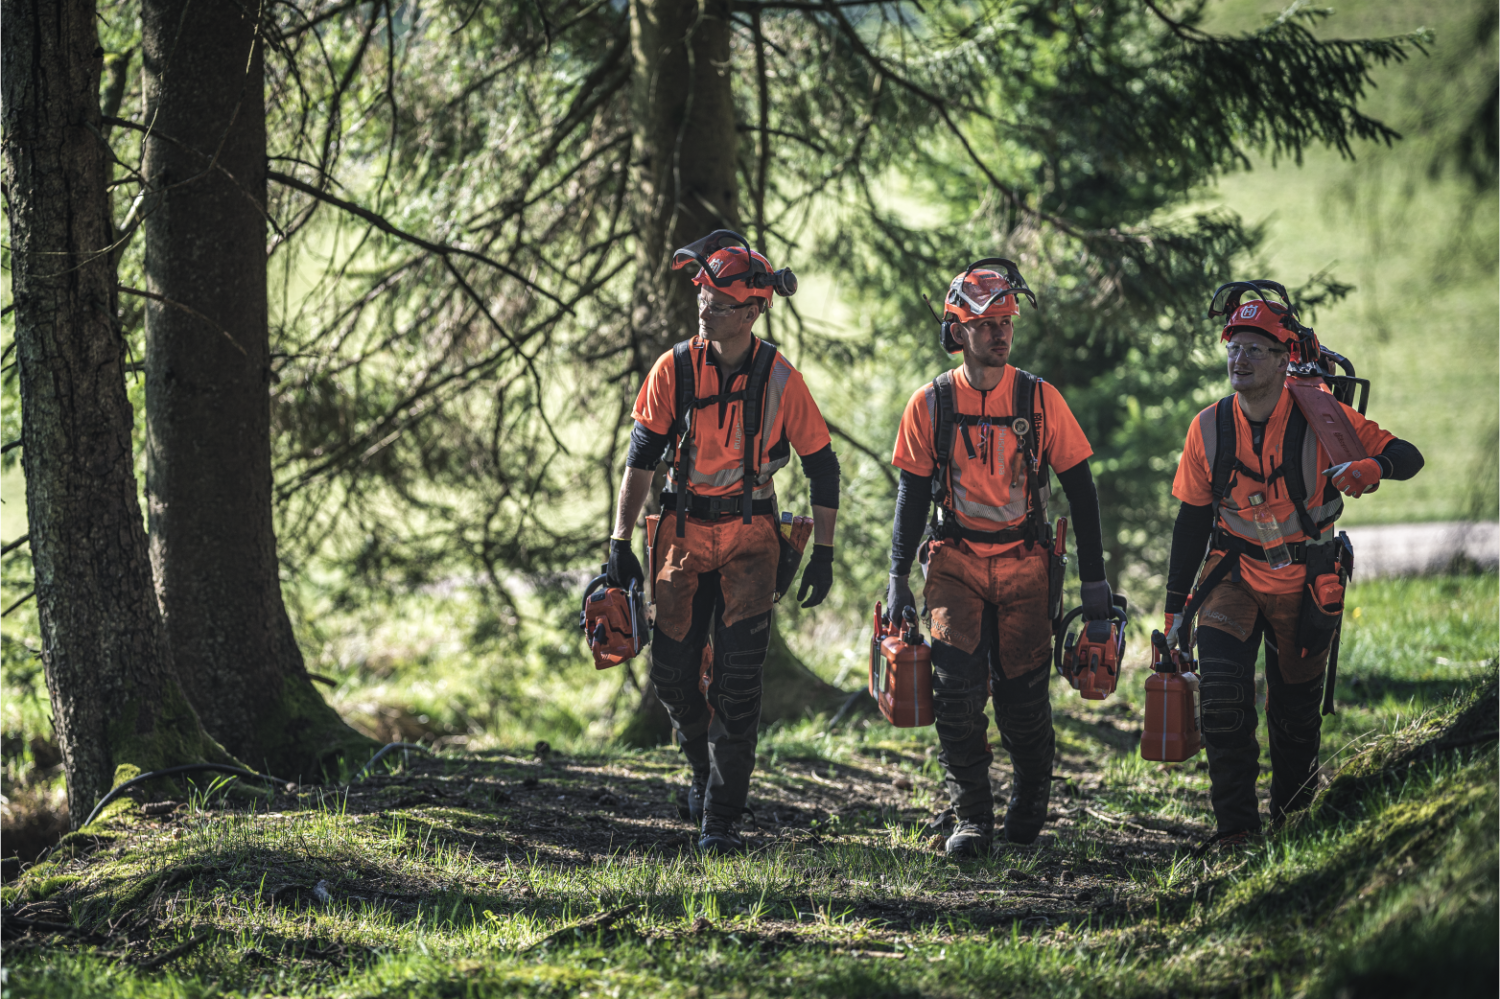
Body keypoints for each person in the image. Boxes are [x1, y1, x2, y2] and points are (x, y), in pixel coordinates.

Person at [1164, 282, 1423, 845]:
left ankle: (1293, 824)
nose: (1242, 358)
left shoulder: (1323, 417)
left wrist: (1371, 469)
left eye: (1257, 348)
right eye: (1234, 346)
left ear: (1286, 361)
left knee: (1295, 720)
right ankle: (1236, 832)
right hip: (1231, 576)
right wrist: (1173, 615)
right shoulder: (1207, 427)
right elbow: (1189, 526)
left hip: (1306, 580)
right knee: (1224, 704)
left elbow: (1408, 455)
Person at [607, 230, 840, 855]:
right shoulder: (673, 368)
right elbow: (642, 458)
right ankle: (699, 768)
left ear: (754, 310)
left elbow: (823, 466)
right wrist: (619, 540)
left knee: (738, 683)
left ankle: (721, 820)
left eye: (719, 300)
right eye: (703, 294)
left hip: (751, 538)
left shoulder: (780, 379)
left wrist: (824, 551)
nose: (705, 307)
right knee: (674, 679)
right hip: (680, 534)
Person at [887, 259, 1112, 857]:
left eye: (1006, 321)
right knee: (955, 698)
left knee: (1021, 704)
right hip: (954, 563)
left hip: (1026, 565)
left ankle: (1032, 791)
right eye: (986, 324)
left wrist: (1095, 585)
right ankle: (972, 818)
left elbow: (1082, 492)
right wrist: (896, 579)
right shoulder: (930, 403)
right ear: (958, 330)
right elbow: (911, 496)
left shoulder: (1040, 399)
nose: (999, 334)